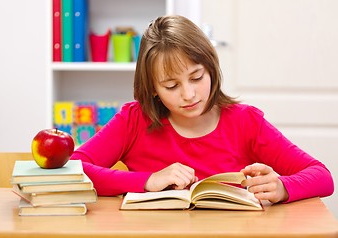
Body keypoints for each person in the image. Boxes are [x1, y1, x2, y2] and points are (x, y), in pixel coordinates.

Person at [71, 15, 334, 204]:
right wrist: (147, 181)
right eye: (171, 85)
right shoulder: (134, 120)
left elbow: (322, 176)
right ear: (153, 89)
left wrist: (283, 187)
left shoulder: (245, 121)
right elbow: (74, 168)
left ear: (211, 68)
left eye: (196, 78)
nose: (189, 94)